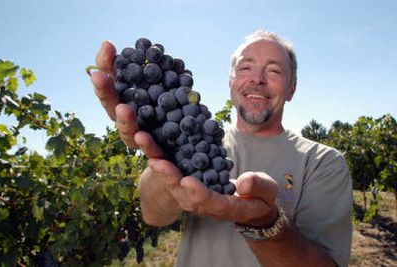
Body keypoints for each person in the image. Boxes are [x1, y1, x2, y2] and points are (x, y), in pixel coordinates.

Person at [90, 30, 353, 267]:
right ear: (230, 81)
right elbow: (153, 216)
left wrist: (266, 225)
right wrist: (165, 161)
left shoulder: (323, 162)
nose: (257, 79)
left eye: (274, 71)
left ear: (292, 88)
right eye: (246, 68)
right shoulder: (193, 137)